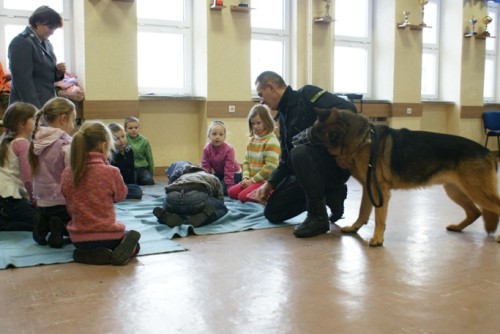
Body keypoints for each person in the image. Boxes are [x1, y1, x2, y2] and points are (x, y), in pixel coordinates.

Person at [254, 71, 356, 238]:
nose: (261, 101)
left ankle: (318, 217)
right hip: (308, 174)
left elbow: (348, 109)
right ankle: (330, 193)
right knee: (273, 213)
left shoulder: (307, 95)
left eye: (261, 94)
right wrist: (270, 184)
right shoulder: (283, 117)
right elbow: (286, 161)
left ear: (271, 87)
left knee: (299, 152)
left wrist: (314, 132)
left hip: (335, 167)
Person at [61, 121, 141, 265]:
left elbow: (66, 198)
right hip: (109, 237)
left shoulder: (67, 172)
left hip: (78, 239)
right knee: (133, 241)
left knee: (90, 242)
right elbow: (121, 196)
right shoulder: (111, 172)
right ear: (104, 146)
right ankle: (116, 254)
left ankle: (88, 255)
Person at [28, 97, 75, 248]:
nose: (73, 126)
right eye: (73, 120)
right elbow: (72, 173)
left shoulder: (36, 140)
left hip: (41, 201)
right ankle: (60, 229)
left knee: (49, 213)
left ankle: (44, 224)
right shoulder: (65, 143)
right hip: (61, 202)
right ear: (63, 119)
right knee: (83, 222)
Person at [8, 6, 66, 109]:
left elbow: (44, 76)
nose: (52, 32)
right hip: (27, 109)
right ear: (38, 22)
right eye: (50, 27)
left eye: (54, 28)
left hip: (45, 104)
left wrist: (58, 72)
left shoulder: (47, 43)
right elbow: (23, 83)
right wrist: (36, 112)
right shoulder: (21, 42)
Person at [227, 104, 280, 203]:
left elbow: (270, 167)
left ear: (266, 121)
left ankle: (272, 193)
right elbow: (246, 162)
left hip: (265, 181)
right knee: (231, 192)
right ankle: (256, 191)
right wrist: (246, 177)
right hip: (252, 180)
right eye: (253, 123)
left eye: (259, 123)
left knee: (242, 197)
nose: (255, 126)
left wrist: (252, 181)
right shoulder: (252, 140)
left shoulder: (271, 141)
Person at [0, 102, 39, 231]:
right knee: (41, 221)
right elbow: (28, 179)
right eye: (34, 119)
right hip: (8, 199)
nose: (38, 123)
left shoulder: (4, 140)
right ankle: (4, 223)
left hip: (5, 198)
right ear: (22, 124)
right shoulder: (22, 144)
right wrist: (35, 201)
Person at [153, 162, 228, 228]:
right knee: (222, 209)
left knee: (174, 206)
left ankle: (167, 215)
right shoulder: (211, 176)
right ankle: (204, 217)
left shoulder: (182, 177)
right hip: (195, 196)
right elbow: (220, 200)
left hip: (172, 197)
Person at [201, 120, 242, 195]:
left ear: (225, 136)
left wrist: (229, 186)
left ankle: (234, 185)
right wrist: (207, 181)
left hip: (233, 173)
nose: (217, 137)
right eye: (214, 134)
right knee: (211, 186)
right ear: (209, 135)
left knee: (219, 190)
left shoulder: (229, 149)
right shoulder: (206, 149)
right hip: (220, 173)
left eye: (221, 134)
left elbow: (229, 169)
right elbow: (205, 167)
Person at [108, 122, 143, 200]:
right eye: (116, 138)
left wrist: (133, 185)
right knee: (136, 192)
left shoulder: (129, 151)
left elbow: (132, 170)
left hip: (126, 185)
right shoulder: (109, 155)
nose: (121, 140)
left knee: (137, 190)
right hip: (114, 186)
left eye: (123, 136)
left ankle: (115, 196)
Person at [124, 116, 155, 185]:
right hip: (130, 169)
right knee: (131, 182)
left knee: (148, 181)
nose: (134, 130)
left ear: (139, 128)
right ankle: (136, 180)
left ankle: (139, 180)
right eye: (130, 128)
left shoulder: (145, 141)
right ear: (125, 129)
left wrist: (151, 173)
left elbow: (149, 157)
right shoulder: (124, 140)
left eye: (136, 127)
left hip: (142, 168)